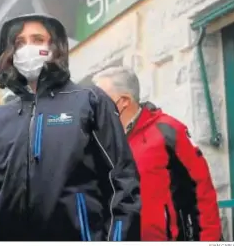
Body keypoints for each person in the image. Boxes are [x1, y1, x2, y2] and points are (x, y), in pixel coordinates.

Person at [0, 14, 141, 241]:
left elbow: (123, 184)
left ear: (54, 47)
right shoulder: (0, 118)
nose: (28, 48)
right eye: (20, 43)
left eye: (37, 39)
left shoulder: (89, 101)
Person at [92, 66, 222, 241]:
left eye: (99, 100)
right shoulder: (98, 141)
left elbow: (202, 190)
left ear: (124, 101)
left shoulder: (168, 131)